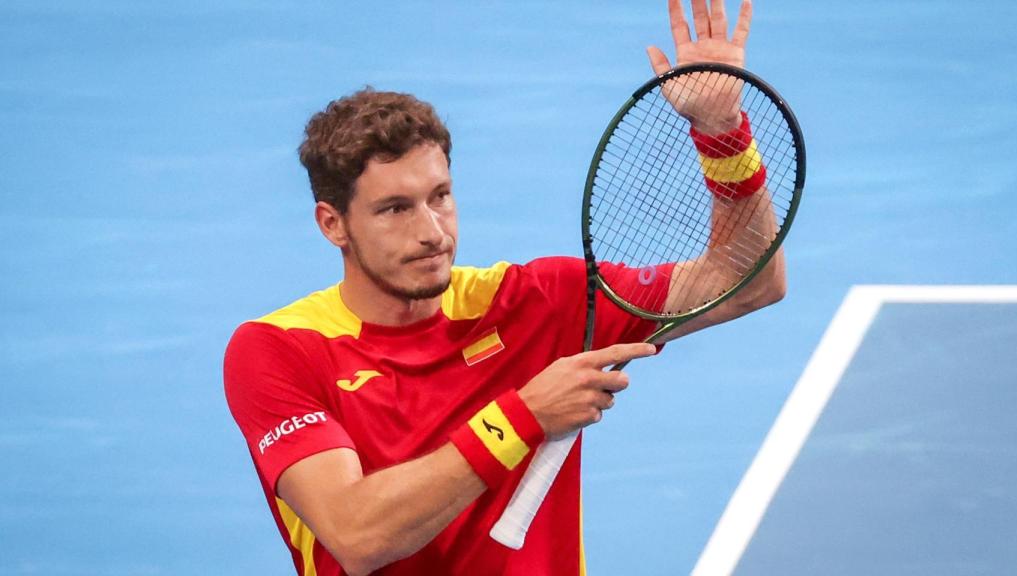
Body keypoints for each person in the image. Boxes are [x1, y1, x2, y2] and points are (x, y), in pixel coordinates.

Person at [224, 1, 783, 574]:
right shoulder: (279, 350)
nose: (432, 231)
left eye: (439, 196)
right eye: (394, 209)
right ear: (332, 223)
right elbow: (358, 534)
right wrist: (524, 417)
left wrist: (722, 135)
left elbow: (747, 281)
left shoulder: (535, 302)